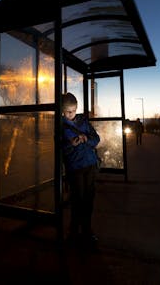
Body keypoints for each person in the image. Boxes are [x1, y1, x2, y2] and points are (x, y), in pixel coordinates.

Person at [61, 92, 100, 248]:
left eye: (74, 110)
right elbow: (61, 149)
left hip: (89, 165)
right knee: (78, 200)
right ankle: (73, 232)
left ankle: (86, 230)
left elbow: (96, 139)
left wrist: (86, 139)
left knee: (88, 200)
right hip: (75, 168)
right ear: (63, 111)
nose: (71, 114)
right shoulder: (61, 125)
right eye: (68, 111)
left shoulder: (83, 121)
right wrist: (72, 144)